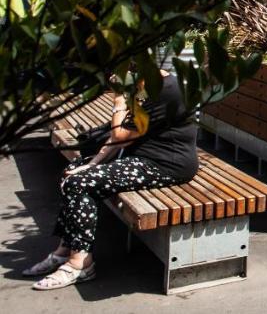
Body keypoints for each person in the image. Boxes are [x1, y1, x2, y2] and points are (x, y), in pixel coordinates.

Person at [24, 69, 197, 290]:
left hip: (166, 165)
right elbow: (119, 138)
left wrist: (118, 100)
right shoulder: (145, 86)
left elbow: (120, 135)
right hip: (142, 156)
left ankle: (80, 265)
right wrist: (92, 164)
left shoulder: (166, 91)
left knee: (80, 184)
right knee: (74, 171)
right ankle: (65, 249)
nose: (114, 76)